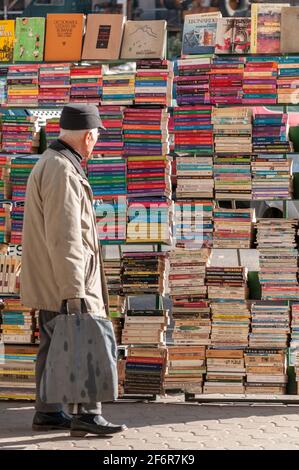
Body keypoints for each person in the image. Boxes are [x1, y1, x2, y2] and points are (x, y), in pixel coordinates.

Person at [20, 104, 127, 437]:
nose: (95, 143)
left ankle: (48, 413)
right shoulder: (62, 170)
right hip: (67, 281)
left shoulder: (54, 163)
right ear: (88, 136)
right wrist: (74, 291)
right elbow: (65, 236)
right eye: (95, 137)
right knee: (87, 340)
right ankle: (88, 415)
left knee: (52, 344)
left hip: (53, 280)